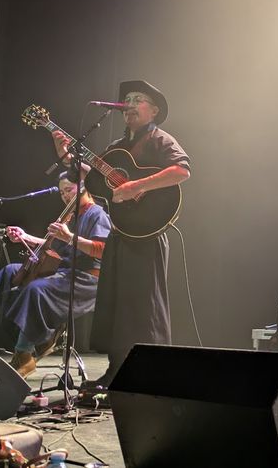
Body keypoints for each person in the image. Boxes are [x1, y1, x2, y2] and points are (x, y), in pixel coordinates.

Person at [52, 80, 190, 387]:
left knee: (143, 305)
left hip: (147, 233)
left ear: (153, 110)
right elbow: (95, 176)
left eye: (137, 99)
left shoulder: (160, 139)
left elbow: (182, 170)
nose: (129, 103)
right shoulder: (116, 148)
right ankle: (116, 370)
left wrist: (136, 186)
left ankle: (148, 371)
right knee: (115, 301)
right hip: (122, 230)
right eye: (126, 99)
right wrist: (66, 156)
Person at [0, 172, 111, 377]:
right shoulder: (72, 216)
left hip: (86, 278)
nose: (65, 196)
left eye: (69, 190)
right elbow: (52, 245)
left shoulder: (97, 215)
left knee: (35, 289)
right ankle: (33, 338)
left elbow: (103, 249)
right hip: (64, 271)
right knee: (9, 272)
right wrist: (26, 237)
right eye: (61, 193)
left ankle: (24, 353)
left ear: (84, 187)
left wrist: (70, 237)